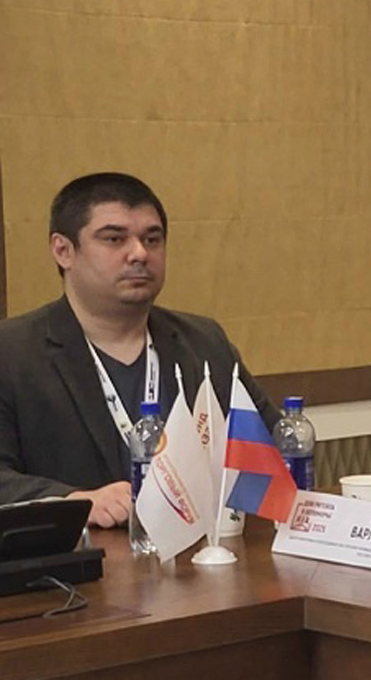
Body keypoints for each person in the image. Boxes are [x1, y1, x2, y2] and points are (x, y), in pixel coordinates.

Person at [0, 173, 278, 526]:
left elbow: (274, 448)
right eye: (114, 239)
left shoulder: (204, 341)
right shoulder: (12, 352)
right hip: (77, 555)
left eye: (152, 239)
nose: (140, 254)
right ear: (63, 250)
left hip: (201, 549)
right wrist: (73, 501)